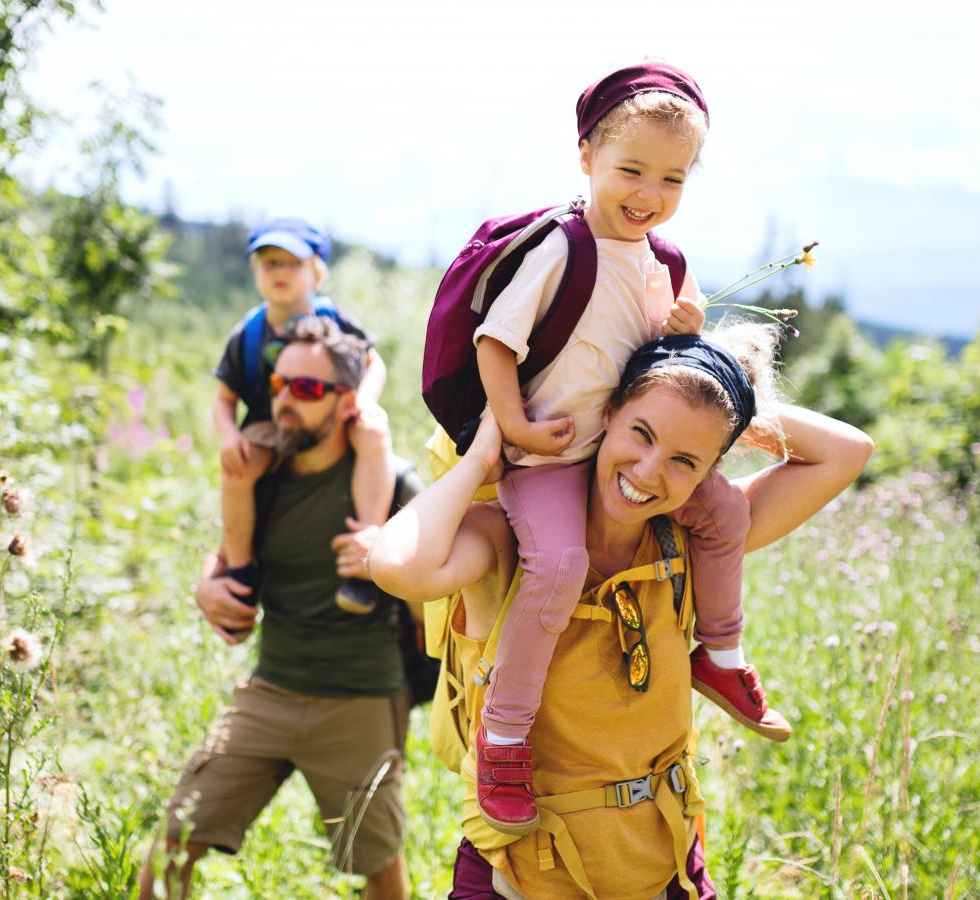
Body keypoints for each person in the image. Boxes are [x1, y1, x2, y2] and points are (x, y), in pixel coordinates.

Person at [371, 329, 873, 898]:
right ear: (605, 412)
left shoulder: (692, 543)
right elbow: (396, 566)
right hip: (521, 875)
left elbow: (848, 450)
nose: (649, 472)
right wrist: (483, 458)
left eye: (685, 460)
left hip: (665, 866)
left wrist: (712, 397)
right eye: (642, 432)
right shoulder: (509, 540)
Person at [464, 61, 788, 835]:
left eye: (672, 179)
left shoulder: (661, 262)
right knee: (560, 564)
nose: (649, 194)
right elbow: (495, 341)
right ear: (586, 158)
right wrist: (511, 426)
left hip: (616, 448)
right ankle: (504, 736)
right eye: (631, 170)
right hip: (548, 455)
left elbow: (660, 354)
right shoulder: (561, 248)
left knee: (722, 516)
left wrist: (681, 324)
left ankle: (720, 651)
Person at [142, 318, 415, 900]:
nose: (285, 399)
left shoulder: (394, 482)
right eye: (278, 383)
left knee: (376, 864)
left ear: (347, 403)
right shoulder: (262, 476)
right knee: (171, 845)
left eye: (307, 389)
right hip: (271, 689)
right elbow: (227, 558)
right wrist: (205, 585)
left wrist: (391, 557)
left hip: (361, 698)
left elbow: (441, 591)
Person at [212, 217, 394, 620]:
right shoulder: (248, 333)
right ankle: (242, 572)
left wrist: (364, 399)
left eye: (292, 263)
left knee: (373, 432)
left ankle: (364, 553)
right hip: (268, 423)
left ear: (317, 272)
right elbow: (223, 399)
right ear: (255, 272)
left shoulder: (337, 321)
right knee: (237, 470)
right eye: (269, 263)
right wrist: (228, 436)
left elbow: (372, 362)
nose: (280, 273)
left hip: (332, 413)